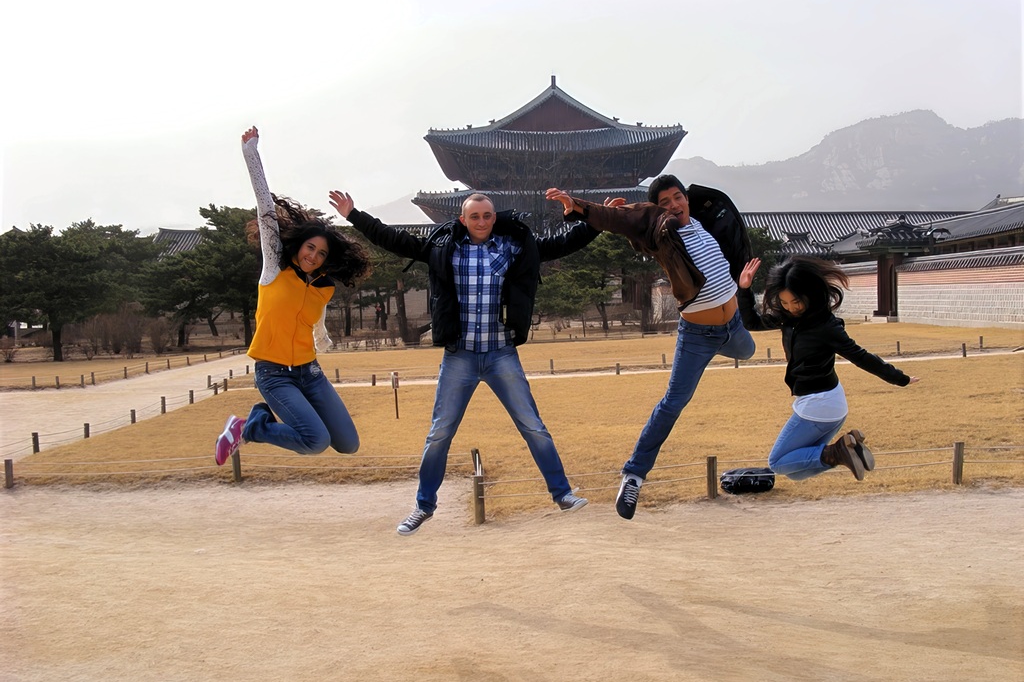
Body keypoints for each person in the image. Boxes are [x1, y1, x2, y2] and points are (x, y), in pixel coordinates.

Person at [328, 189, 598, 535]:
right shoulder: (444, 248)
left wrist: (595, 220)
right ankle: (423, 506)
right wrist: (354, 215)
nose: (482, 221)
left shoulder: (515, 247)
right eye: (475, 216)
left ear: (494, 217)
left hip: (501, 352)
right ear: (463, 219)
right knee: (440, 432)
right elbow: (395, 240)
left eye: (487, 216)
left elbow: (562, 243)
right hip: (460, 356)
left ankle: (562, 494)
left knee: (532, 425)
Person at [546, 176, 756, 519]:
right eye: (666, 201)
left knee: (748, 351)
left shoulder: (706, 222)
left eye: (678, 197)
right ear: (659, 208)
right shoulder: (661, 229)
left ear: (687, 198)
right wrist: (580, 208)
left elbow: (722, 258)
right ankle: (633, 476)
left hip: (732, 328)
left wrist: (740, 284)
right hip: (698, 335)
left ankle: (723, 344)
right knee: (673, 403)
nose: (674, 205)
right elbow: (621, 218)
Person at [214, 127, 372, 466]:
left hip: (309, 371)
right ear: (298, 246)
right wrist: (251, 153)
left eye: (320, 253)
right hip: (274, 373)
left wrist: (322, 337)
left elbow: (314, 318)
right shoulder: (274, 268)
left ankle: (258, 419)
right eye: (309, 247)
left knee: (348, 444)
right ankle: (250, 427)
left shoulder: (324, 286)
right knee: (315, 441)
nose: (312, 256)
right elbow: (266, 211)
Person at [737, 255, 919, 480]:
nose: (791, 308)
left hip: (818, 404)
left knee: (777, 462)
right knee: (796, 472)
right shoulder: (789, 318)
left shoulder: (826, 326)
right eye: (784, 303)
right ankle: (848, 453)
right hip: (828, 406)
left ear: (810, 294)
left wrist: (899, 378)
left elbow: (860, 356)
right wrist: (743, 290)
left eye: (796, 302)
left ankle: (838, 452)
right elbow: (752, 322)